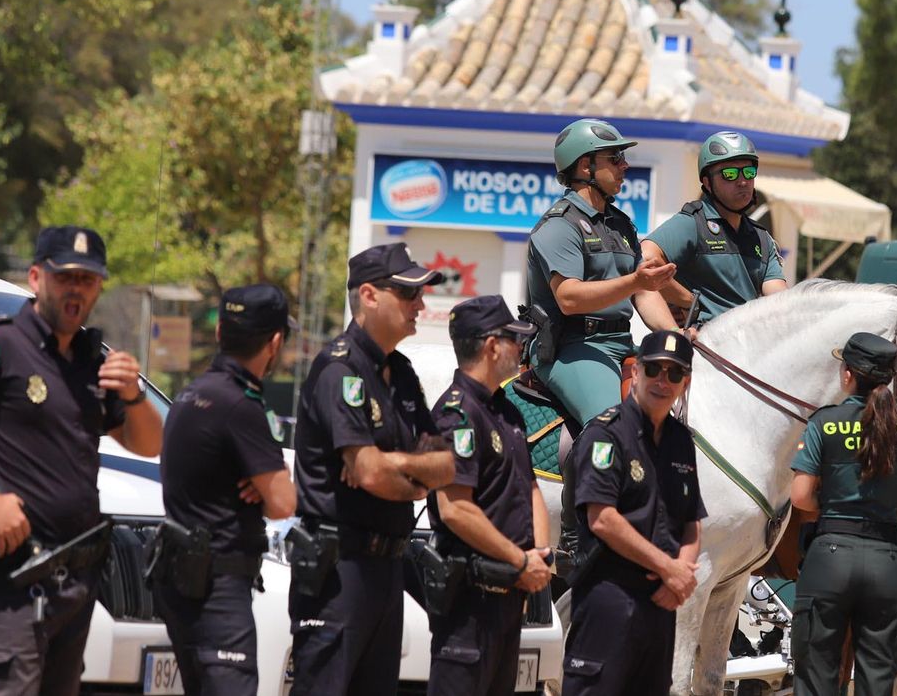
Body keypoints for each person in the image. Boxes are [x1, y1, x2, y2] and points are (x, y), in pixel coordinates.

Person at [0, 225, 163, 696]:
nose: (76, 290)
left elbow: (149, 445)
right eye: (66, 277)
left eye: (88, 279)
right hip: (12, 576)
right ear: (37, 277)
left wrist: (134, 393)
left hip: (78, 578)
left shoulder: (90, 360)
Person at [290, 242, 457, 695]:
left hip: (388, 568)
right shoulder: (338, 370)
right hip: (339, 568)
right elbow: (367, 473)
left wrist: (396, 464)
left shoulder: (400, 372)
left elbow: (447, 466)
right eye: (408, 294)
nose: (421, 304)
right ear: (368, 295)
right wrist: (409, 477)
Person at [152, 284, 298, 695]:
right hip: (218, 588)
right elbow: (283, 503)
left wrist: (261, 482)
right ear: (274, 342)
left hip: (184, 578)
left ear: (219, 334)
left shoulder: (192, 392)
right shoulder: (242, 405)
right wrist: (269, 482)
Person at [789, 332, 897, 696]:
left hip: (829, 558)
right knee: (878, 680)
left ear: (848, 374)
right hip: (886, 562)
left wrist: (832, 503)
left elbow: (800, 497)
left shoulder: (824, 422)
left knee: (815, 676)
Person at [561, 330, 706, 696]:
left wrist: (682, 578)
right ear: (636, 372)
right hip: (611, 595)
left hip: (662, 602)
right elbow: (602, 519)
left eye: (674, 374)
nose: (663, 381)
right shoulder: (606, 435)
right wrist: (668, 568)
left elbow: (691, 522)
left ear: (684, 382)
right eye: (654, 369)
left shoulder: (681, 440)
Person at [426, 295, 552, 696]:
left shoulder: (506, 411)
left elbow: (530, 488)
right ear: (492, 346)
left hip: (511, 596)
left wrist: (541, 557)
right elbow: (455, 509)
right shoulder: (456, 415)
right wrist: (520, 559)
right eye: (513, 340)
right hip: (470, 601)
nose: (521, 348)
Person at [525, 118, 676, 427]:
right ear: (585, 167)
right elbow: (569, 298)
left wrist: (676, 336)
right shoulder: (558, 225)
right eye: (615, 158)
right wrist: (635, 280)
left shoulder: (620, 225)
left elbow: (644, 292)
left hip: (622, 342)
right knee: (612, 427)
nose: (625, 166)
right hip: (573, 348)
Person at [637, 130, 787, 331]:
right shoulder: (692, 224)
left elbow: (780, 302)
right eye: (730, 174)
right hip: (704, 348)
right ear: (708, 182)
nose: (742, 181)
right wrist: (687, 301)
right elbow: (642, 261)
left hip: (750, 348)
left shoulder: (762, 238)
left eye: (749, 172)